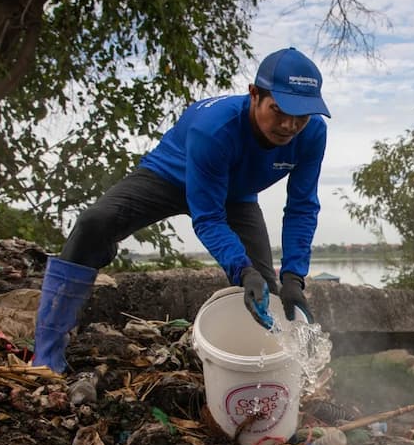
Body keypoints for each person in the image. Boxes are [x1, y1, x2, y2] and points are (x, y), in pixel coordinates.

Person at [31, 47, 330, 373]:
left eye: (300, 117)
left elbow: (302, 207)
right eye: (279, 110)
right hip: (170, 177)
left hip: (237, 197)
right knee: (94, 224)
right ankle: (47, 352)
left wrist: (293, 277)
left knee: (266, 293)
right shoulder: (214, 127)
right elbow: (208, 217)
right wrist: (240, 268)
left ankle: (268, 372)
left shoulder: (313, 133)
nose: (288, 125)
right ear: (254, 94)